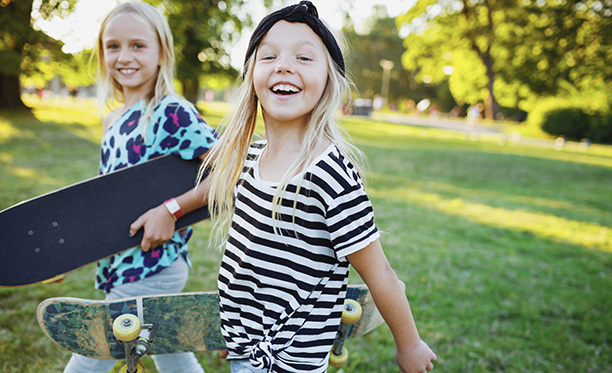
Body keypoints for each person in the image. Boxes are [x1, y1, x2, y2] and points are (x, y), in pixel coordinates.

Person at [201, 2, 437, 372]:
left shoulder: (327, 175)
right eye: (269, 56)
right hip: (247, 350)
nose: (283, 65)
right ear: (251, 75)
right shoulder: (251, 158)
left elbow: (381, 274)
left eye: (304, 58)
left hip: (289, 363)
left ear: (330, 79)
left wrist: (410, 345)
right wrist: (169, 211)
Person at [63, 2, 215, 372]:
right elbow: (107, 201)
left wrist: (171, 210)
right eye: (113, 46)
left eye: (138, 45)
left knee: (94, 350)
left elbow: (230, 172)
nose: (123, 56)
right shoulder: (112, 119)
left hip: (153, 263)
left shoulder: (171, 111)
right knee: (169, 349)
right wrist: (62, 252)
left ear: (162, 52)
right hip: (121, 260)